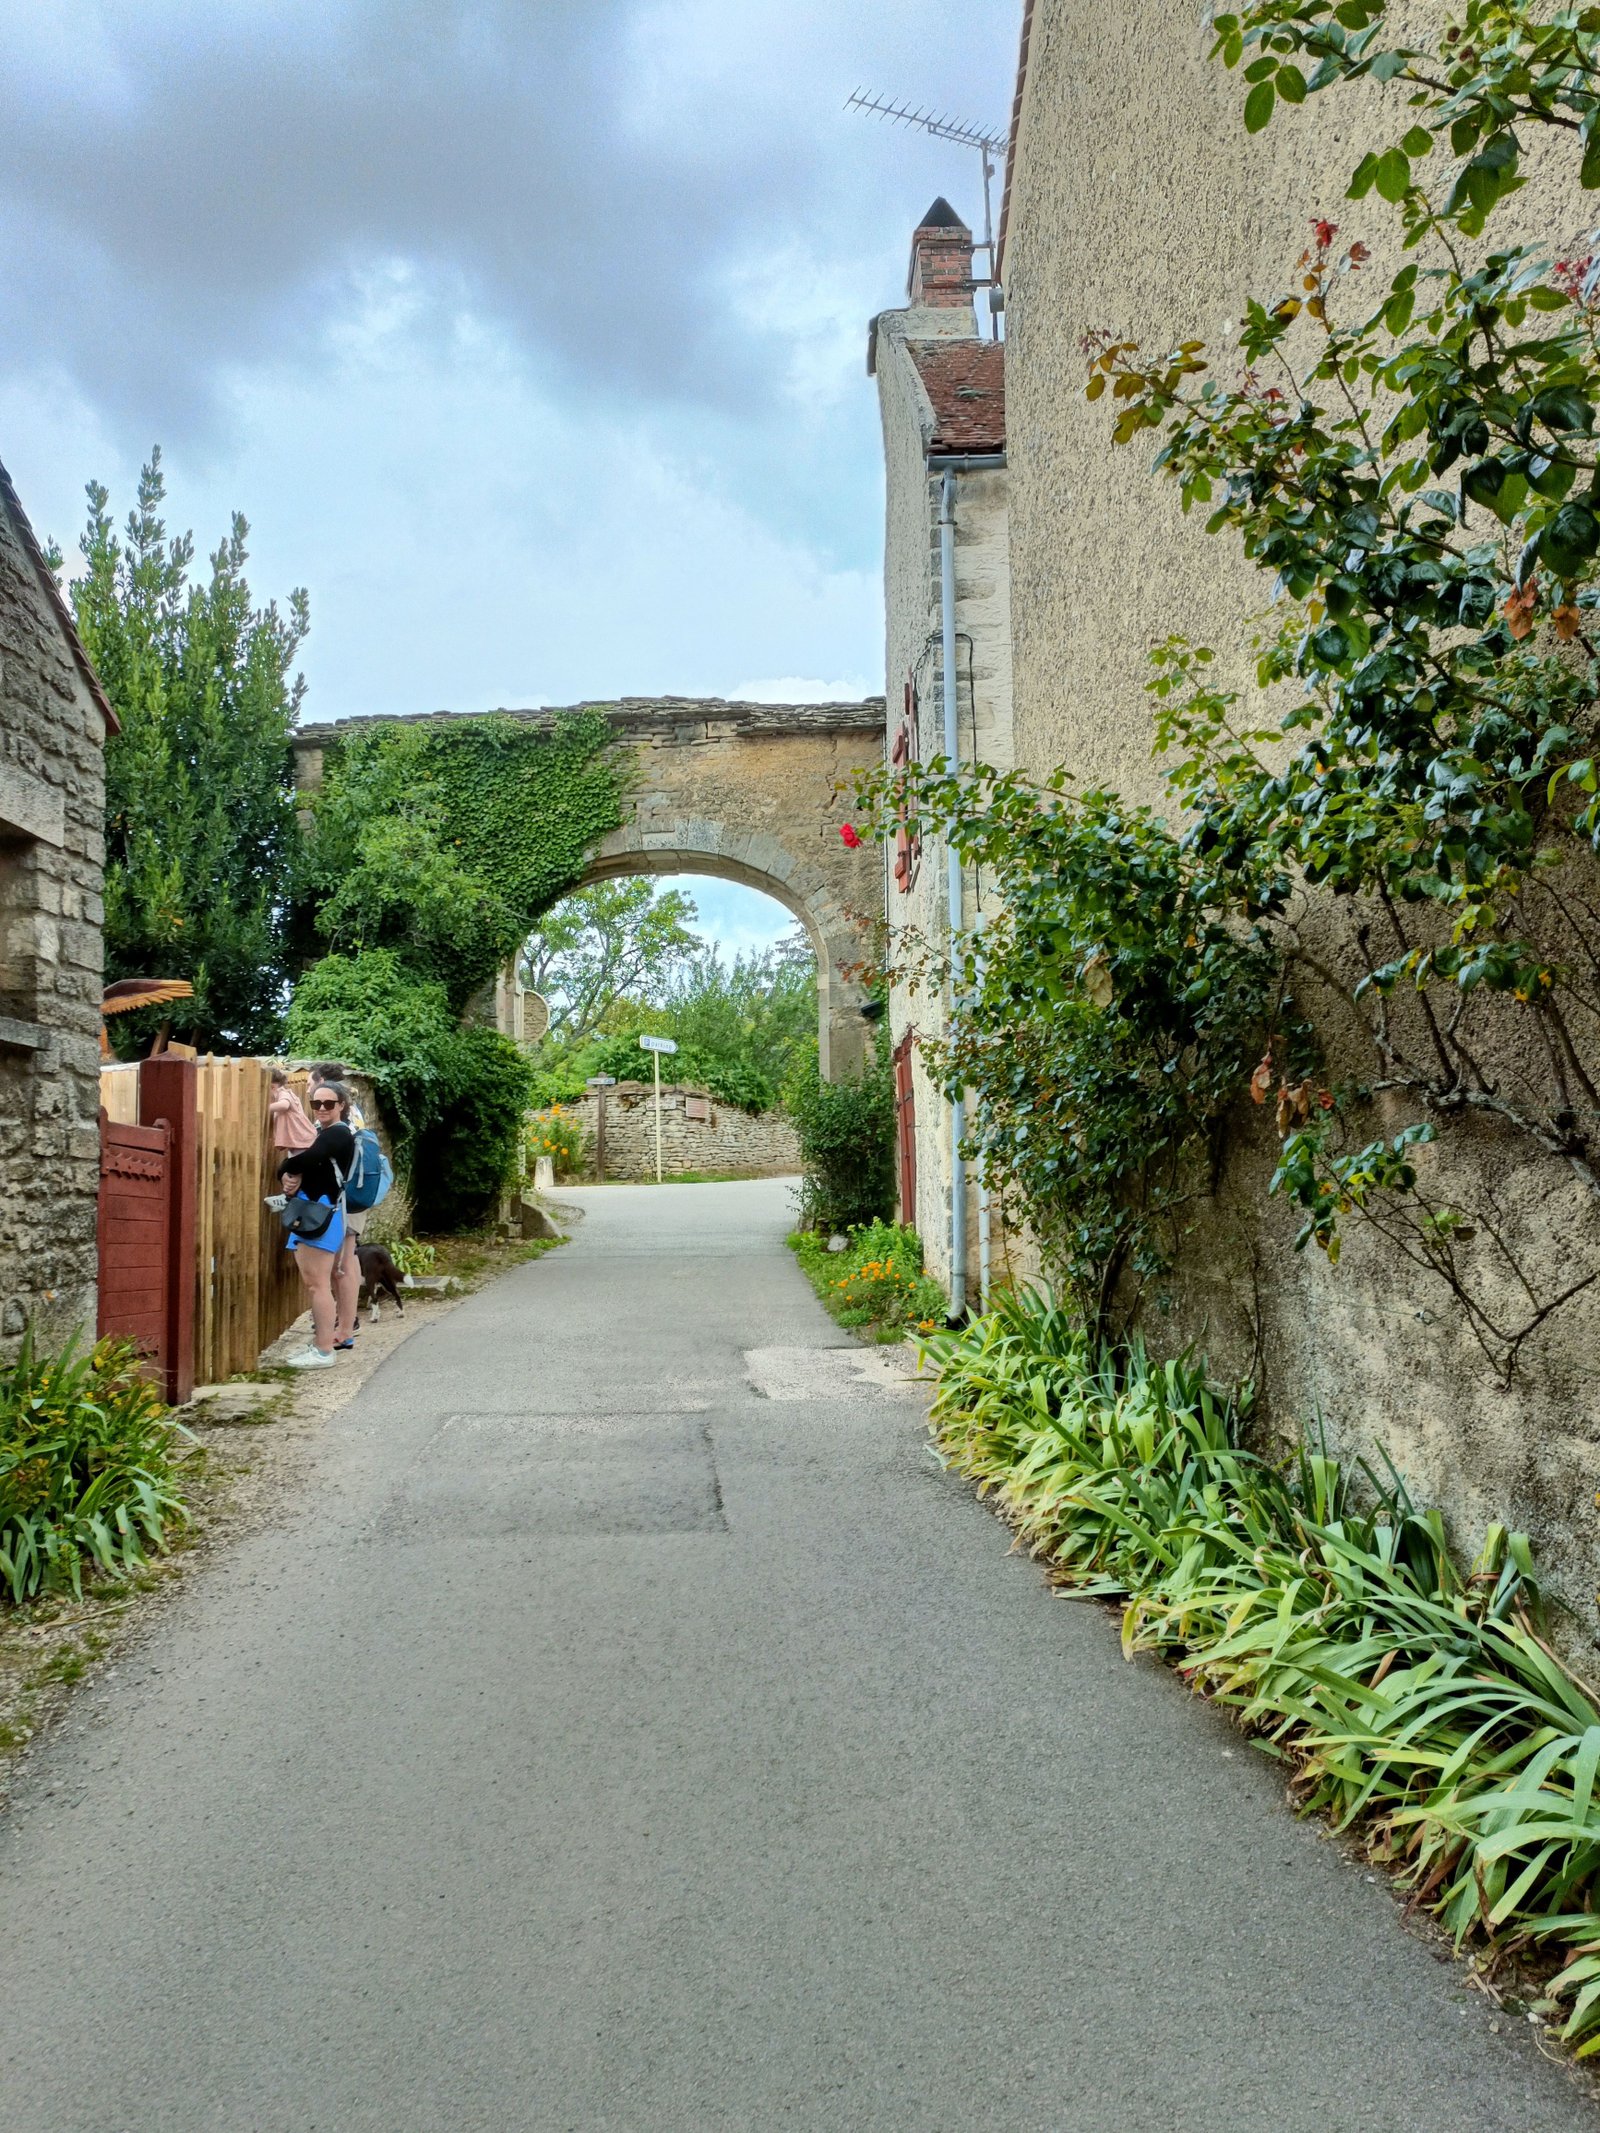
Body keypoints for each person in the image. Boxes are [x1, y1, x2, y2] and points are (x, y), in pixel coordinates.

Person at [277, 1080, 356, 1370]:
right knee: (316, 1284)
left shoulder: (338, 1134)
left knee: (317, 1286)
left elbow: (311, 1158)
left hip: (319, 1217)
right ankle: (321, 1345)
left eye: (329, 1103)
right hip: (315, 1215)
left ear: (341, 1106)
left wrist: (284, 1169)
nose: (322, 1108)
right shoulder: (324, 1134)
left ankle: (324, 1350)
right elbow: (311, 1167)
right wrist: (291, 1179)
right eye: (316, 1103)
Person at [268, 1067, 317, 1157]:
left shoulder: (283, 1093)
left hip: (302, 1139)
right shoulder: (281, 1094)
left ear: (272, 1087)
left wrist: (266, 1108)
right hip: (299, 1140)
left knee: (298, 1165)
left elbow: (284, 1105)